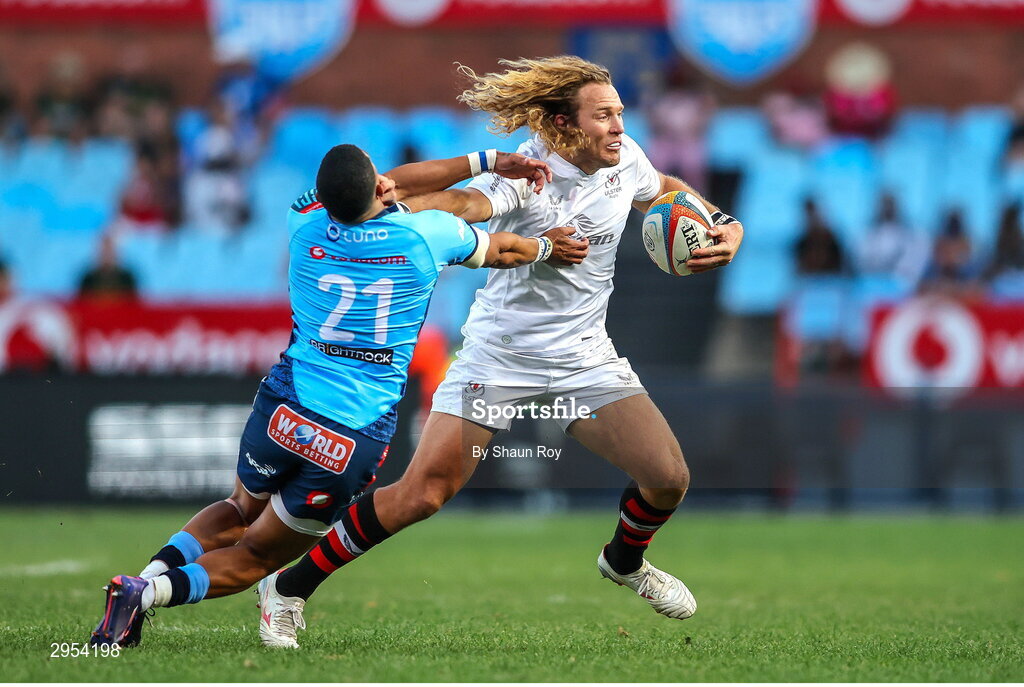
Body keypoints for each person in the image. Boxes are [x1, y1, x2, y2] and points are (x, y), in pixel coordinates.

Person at [258, 56, 744, 648]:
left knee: (668, 478)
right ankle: (287, 588)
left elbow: (663, 189)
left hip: (585, 357)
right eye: (604, 116)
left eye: (620, 113)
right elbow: (466, 206)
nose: (619, 126)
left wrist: (721, 221)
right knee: (422, 494)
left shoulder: (625, 158)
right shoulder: (526, 175)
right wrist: (404, 205)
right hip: (499, 357)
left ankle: (623, 562)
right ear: (564, 125)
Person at [88, 142, 567, 647]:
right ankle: (145, 595)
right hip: (352, 428)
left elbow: (375, 185)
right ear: (379, 186)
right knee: (258, 556)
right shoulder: (427, 235)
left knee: (237, 508)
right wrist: (549, 246)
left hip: (286, 401)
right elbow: (506, 250)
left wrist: (488, 163)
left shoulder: (303, 218)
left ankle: (141, 579)